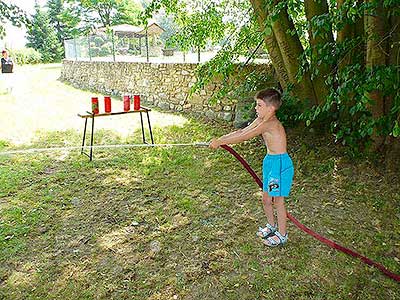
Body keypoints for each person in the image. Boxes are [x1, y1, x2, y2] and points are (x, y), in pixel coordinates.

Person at [209, 88, 294, 247]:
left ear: (271, 108)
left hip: (280, 165)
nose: (256, 108)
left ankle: (282, 235)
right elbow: (242, 130)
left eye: (259, 105)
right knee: (266, 199)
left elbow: (244, 137)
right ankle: (271, 226)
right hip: (270, 161)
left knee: (278, 201)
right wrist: (220, 139)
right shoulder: (261, 120)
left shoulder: (270, 124)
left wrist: (220, 142)